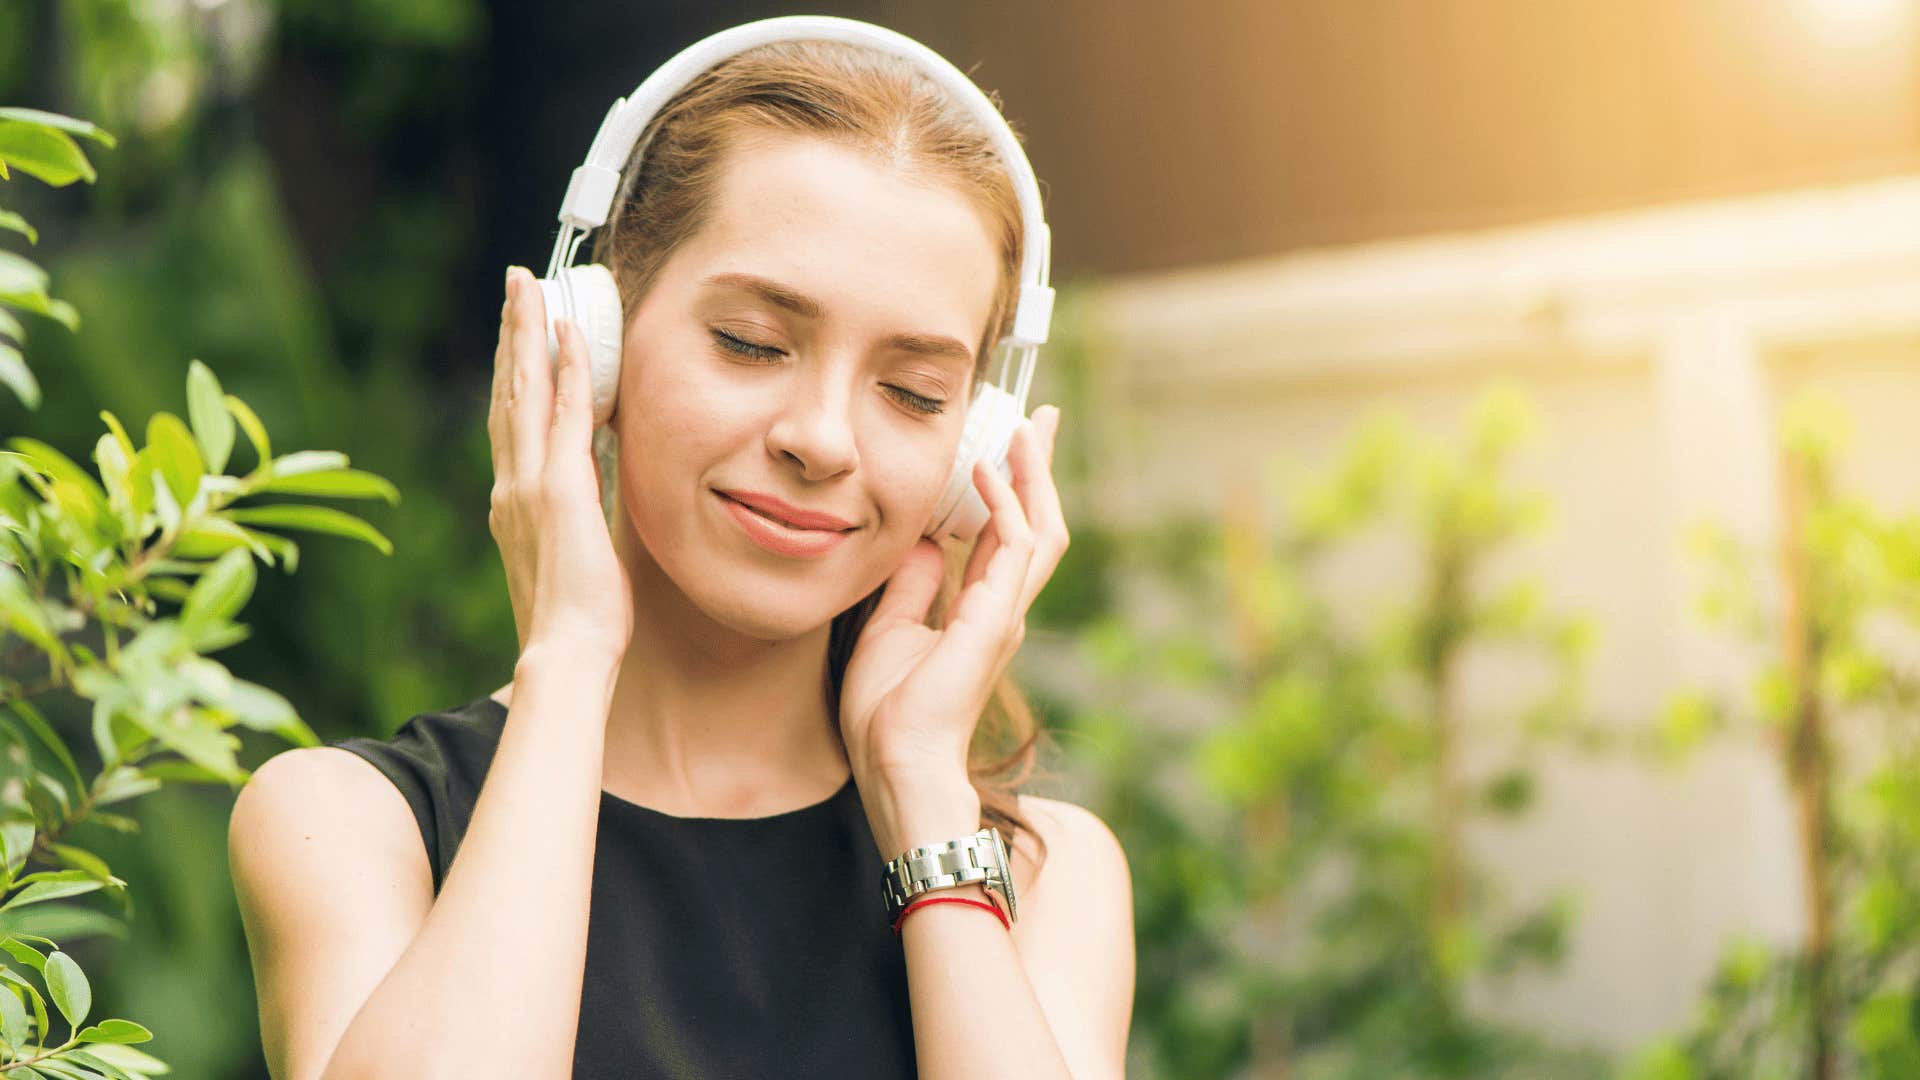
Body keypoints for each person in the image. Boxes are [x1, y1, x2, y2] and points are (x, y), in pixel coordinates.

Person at [226, 24, 1135, 1080]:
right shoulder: (351, 825)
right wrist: (568, 654)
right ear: (595, 339)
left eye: (913, 392)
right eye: (752, 341)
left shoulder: (1042, 875)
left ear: (970, 443)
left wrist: (922, 789)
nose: (823, 440)